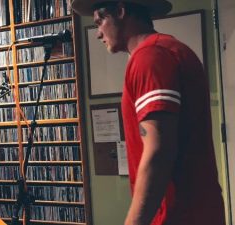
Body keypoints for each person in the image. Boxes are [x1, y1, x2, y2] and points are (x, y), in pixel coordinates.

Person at [72, 0, 225, 225]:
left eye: (100, 22)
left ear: (121, 11)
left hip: (178, 216)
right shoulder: (166, 50)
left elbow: (158, 151)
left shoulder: (150, 57)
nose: (98, 34)